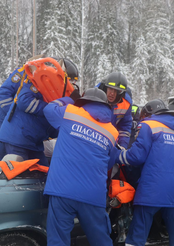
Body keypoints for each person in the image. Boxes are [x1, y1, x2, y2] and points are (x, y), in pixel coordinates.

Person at [43, 88, 119, 246]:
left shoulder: (71, 111)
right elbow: (110, 162)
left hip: (62, 189)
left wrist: (68, 99)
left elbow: (48, 109)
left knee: (58, 240)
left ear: (83, 102)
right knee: (101, 240)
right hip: (93, 194)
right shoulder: (112, 131)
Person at [114, 99, 174, 246]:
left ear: (147, 113)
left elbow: (136, 156)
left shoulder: (149, 125)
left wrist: (116, 155)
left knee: (138, 232)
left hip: (152, 190)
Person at [0, 57, 79, 166]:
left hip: (33, 142)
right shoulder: (37, 82)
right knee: (19, 178)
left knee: (43, 172)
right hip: (18, 139)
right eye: (70, 80)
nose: (72, 84)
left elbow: (50, 124)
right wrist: (50, 109)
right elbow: (24, 101)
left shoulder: (56, 93)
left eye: (74, 81)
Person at [97, 72, 133, 148]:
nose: (112, 93)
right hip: (94, 136)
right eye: (110, 89)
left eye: (116, 90)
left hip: (112, 141)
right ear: (105, 87)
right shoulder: (95, 96)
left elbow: (125, 126)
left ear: (121, 92)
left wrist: (122, 146)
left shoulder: (126, 103)